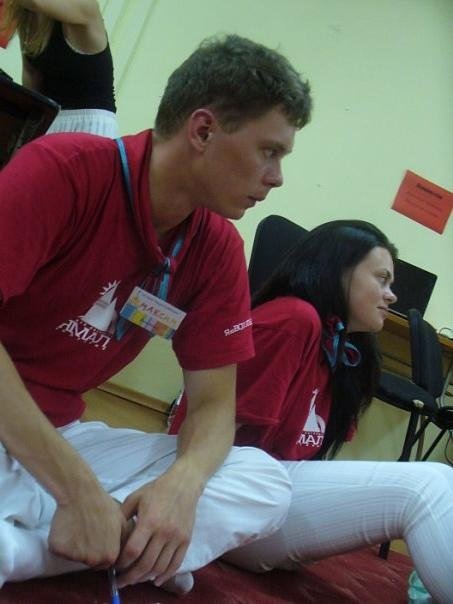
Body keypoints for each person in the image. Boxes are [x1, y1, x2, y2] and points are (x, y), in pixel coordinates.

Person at [0, 34, 312, 593]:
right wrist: (77, 490)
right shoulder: (64, 170)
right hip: (22, 429)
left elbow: (214, 407)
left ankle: (31, 547)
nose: (277, 176)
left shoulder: (217, 247)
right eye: (270, 151)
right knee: (57, 490)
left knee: (263, 480)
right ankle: (113, 543)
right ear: (203, 130)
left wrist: (181, 488)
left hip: (60, 435)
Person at [169, 220, 453, 603]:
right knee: (428, 485)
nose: (392, 295)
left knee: (437, 483)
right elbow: (212, 436)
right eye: (382, 279)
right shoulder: (294, 320)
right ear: (339, 271)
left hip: (265, 499)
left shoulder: (346, 348)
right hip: (224, 497)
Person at [1, 0, 117, 137]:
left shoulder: (85, 5)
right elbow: (31, 73)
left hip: (90, 124)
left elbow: (36, 2)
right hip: (51, 122)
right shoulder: (28, 14)